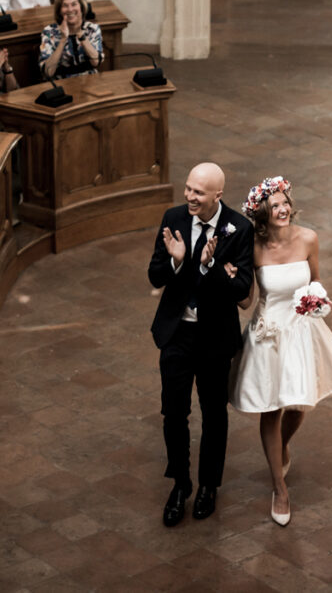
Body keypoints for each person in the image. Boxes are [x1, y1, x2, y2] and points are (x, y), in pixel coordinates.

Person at [229, 177, 332, 526]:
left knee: (300, 405)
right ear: (262, 213)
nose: (282, 209)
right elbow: (247, 301)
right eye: (274, 206)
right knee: (271, 409)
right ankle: (279, 487)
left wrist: (316, 301)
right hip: (268, 334)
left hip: (301, 330)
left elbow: (315, 282)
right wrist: (230, 278)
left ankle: (282, 446)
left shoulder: (308, 239)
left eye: (285, 202)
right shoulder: (253, 247)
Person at [148, 163, 254, 527]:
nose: (190, 197)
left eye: (199, 192)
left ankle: (209, 484)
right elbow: (154, 274)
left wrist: (209, 268)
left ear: (217, 196)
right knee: (173, 413)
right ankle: (180, 484)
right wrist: (178, 263)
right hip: (176, 334)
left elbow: (241, 291)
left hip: (214, 337)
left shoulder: (239, 229)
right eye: (189, 189)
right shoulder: (173, 217)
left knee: (214, 414)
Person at [39, 0, 103, 80]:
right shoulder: (49, 32)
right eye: (65, 6)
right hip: (61, 83)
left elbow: (95, 62)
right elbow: (49, 72)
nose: (70, 9)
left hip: (89, 80)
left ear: (81, 7)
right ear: (60, 11)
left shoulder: (92, 29)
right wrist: (63, 39)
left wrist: (80, 34)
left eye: (74, 4)